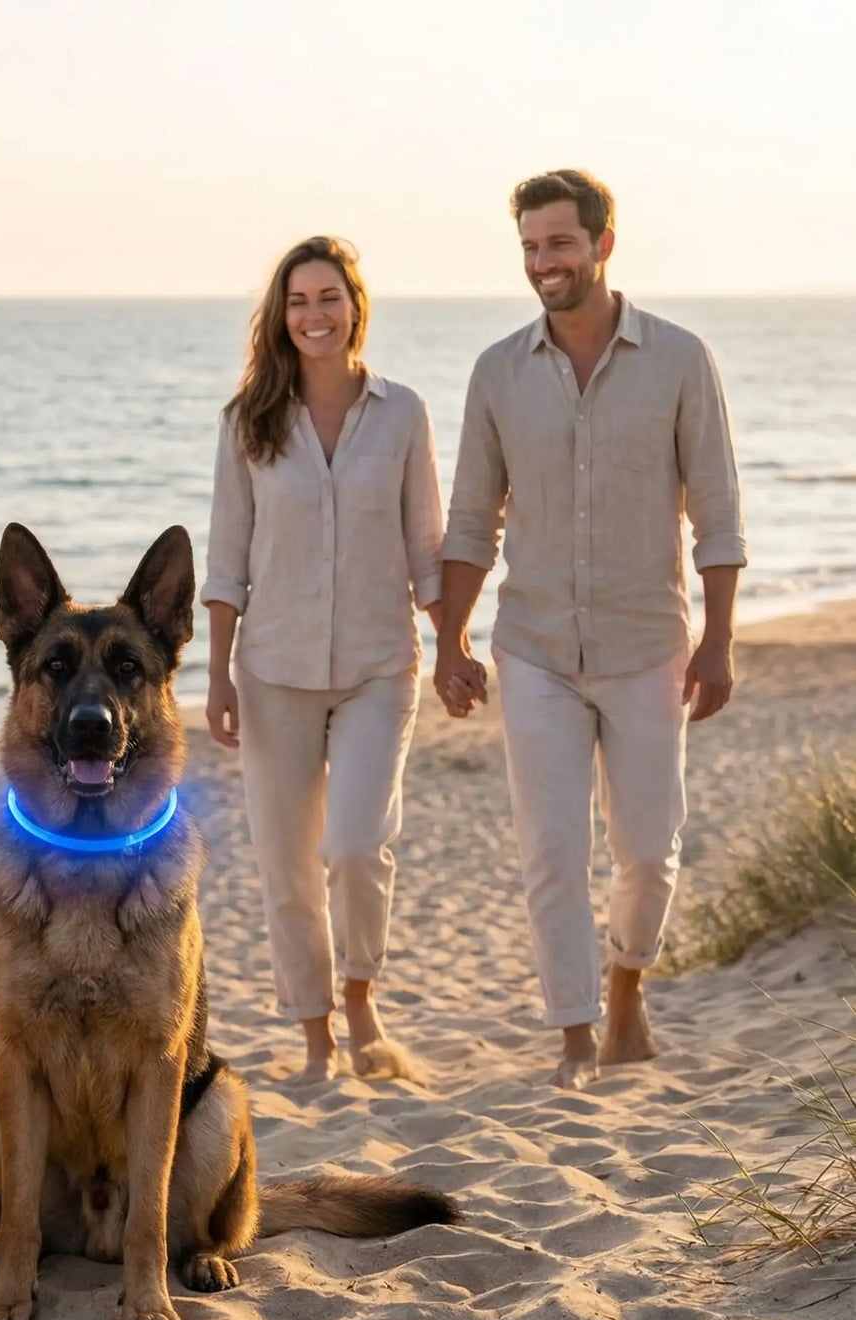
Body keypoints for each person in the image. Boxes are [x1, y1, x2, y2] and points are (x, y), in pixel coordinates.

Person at [435, 169, 747, 1089]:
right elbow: (470, 521)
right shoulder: (496, 371)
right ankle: (574, 1034)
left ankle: (624, 986)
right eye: (530, 247)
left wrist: (719, 640)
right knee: (551, 851)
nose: (543, 263)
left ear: (602, 245)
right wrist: (450, 640)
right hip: (533, 647)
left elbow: (718, 513)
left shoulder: (680, 360)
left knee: (647, 850)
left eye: (559, 244)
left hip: (647, 642)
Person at [203, 236, 445, 1086]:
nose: (315, 315)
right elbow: (226, 558)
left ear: (354, 306)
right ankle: (315, 1038)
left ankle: (361, 998)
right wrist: (217, 674)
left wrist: (454, 645)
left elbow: (426, 547)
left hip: (380, 662)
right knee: (287, 866)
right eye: (299, 300)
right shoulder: (247, 422)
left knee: (355, 845)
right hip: (272, 671)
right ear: (281, 316)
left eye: (328, 297)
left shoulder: (402, 412)